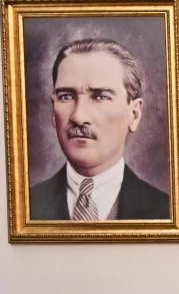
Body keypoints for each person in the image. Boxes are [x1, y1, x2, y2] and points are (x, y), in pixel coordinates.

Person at [29, 37, 169, 221]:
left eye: (101, 97)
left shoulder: (168, 213)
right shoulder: (24, 206)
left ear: (134, 114)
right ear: (53, 111)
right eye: (66, 96)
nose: (79, 116)